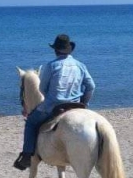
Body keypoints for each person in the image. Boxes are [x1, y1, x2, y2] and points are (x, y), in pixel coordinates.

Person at [13, 34, 96, 170]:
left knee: (31, 123)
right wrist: (84, 103)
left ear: (55, 50)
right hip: (76, 105)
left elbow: (42, 88)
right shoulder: (81, 65)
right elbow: (91, 86)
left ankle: (27, 156)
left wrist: (51, 98)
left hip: (53, 106)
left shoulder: (51, 66)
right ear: (69, 50)